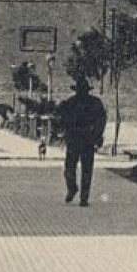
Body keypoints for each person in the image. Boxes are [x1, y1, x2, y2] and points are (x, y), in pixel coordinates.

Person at [54, 76, 108, 206]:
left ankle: (83, 197)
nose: (81, 93)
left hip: (85, 139)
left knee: (83, 169)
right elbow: (63, 119)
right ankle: (73, 189)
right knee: (73, 169)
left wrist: (97, 135)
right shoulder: (71, 102)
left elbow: (101, 120)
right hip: (78, 139)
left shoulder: (93, 103)